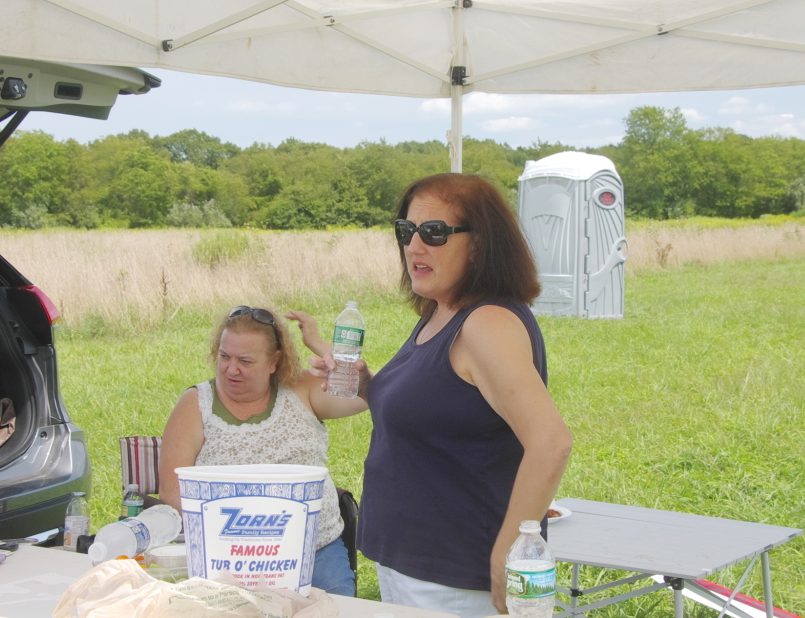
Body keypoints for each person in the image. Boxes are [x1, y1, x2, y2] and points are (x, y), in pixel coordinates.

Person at [307, 173, 573, 618]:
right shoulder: (444, 310)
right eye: (405, 231)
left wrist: (508, 553)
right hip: (414, 566)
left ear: (479, 244)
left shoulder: (487, 322)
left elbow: (551, 442)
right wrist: (371, 384)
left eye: (434, 233)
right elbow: (441, 411)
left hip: (456, 577)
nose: (414, 246)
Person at [159, 305, 367, 597]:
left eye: (245, 360)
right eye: (224, 356)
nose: (232, 369)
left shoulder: (302, 389)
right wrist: (243, 537)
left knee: (337, 610)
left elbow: (372, 394)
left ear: (274, 361)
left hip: (313, 551)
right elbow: (171, 491)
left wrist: (320, 346)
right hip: (230, 558)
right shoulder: (196, 405)